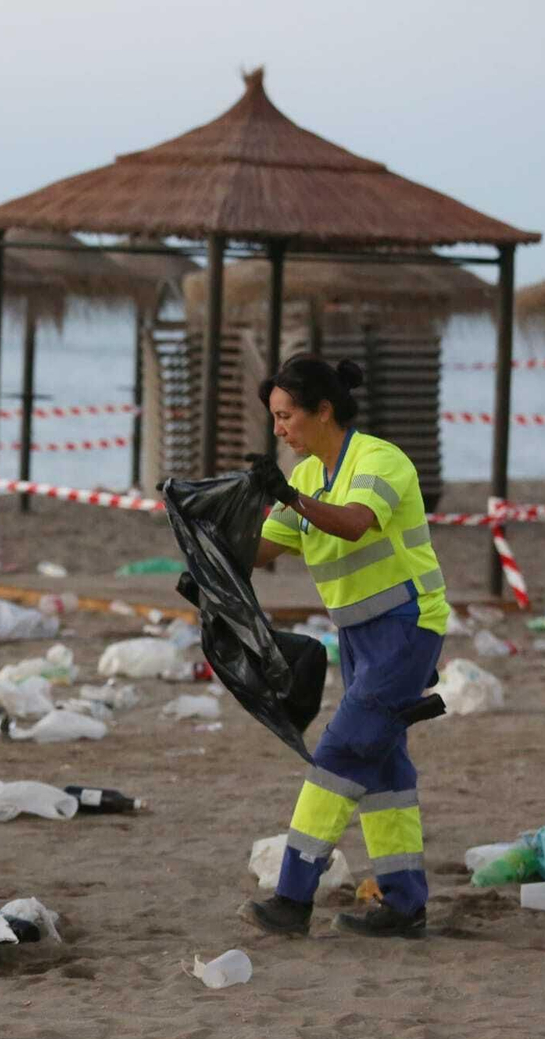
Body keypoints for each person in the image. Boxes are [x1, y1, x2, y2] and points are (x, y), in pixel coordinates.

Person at [238, 357, 447, 940]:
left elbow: (355, 523)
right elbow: (262, 550)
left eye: (286, 417)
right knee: (382, 768)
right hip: (358, 635)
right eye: (274, 419)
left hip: (407, 628)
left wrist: (291, 497)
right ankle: (405, 905)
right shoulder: (303, 478)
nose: (279, 430)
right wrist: (208, 520)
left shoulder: (379, 460)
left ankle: (292, 898)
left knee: (340, 755)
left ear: (322, 411)